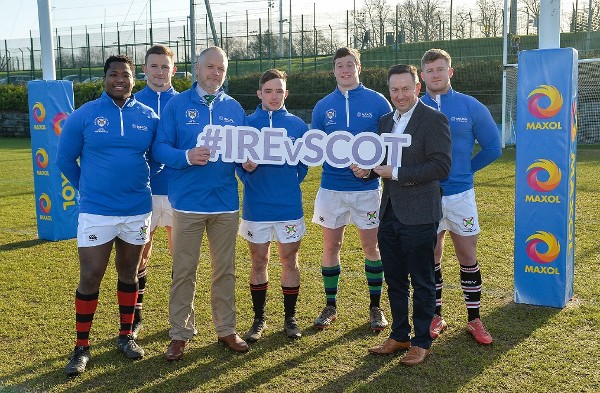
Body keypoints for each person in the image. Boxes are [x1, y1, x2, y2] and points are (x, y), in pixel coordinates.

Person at [57, 54, 159, 376]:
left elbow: (157, 159)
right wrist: (87, 190)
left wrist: (140, 181)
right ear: (105, 79)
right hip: (97, 212)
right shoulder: (85, 115)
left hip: (136, 210)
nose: (120, 79)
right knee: (90, 276)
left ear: (133, 79)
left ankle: (126, 336)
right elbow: (64, 159)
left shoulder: (148, 116)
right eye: (113, 74)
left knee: (129, 274)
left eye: (125, 75)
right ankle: (82, 346)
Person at [153, 46, 249, 360]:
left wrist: (247, 162)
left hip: (224, 204)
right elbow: (160, 148)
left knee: (225, 270)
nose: (215, 74)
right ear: (197, 68)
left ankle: (226, 329)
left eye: (221, 69)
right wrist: (186, 156)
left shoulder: (234, 108)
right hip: (188, 204)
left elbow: (241, 151)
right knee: (184, 271)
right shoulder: (177, 105)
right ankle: (180, 333)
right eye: (210, 67)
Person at [365, 64, 451, 366]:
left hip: (419, 214)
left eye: (405, 88)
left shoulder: (434, 119)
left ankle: (421, 341)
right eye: (394, 89)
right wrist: (366, 170)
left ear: (417, 88)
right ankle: (400, 334)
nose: (400, 95)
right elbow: (381, 163)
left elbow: (441, 167)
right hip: (388, 213)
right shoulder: (386, 121)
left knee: (423, 280)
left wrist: (397, 173)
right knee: (395, 279)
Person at [420, 48, 502, 345]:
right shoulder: (414, 108)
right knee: (431, 257)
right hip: (425, 195)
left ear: (450, 72)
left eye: (440, 69)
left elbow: (494, 147)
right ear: (422, 75)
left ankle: (474, 319)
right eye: (429, 71)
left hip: (460, 195)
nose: (435, 75)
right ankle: (435, 315)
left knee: (467, 255)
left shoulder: (470, 106)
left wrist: (466, 171)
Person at [310, 47, 392, 332]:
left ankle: (375, 307)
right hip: (332, 188)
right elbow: (316, 148)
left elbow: (389, 143)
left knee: (372, 246)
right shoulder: (322, 106)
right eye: (339, 66)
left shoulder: (378, 102)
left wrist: (371, 166)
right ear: (333, 70)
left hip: (367, 189)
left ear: (359, 67)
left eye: (349, 65)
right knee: (331, 246)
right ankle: (330, 305)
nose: (345, 70)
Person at [237, 69, 309, 342]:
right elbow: (237, 162)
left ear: (286, 93)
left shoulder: (297, 125)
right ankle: (259, 319)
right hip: (257, 207)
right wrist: (248, 170)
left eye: (279, 91)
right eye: (269, 91)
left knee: (290, 260)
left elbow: (303, 166)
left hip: (288, 206)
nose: (274, 96)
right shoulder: (247, 124)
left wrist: (289, 182)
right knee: (259, 260)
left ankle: (290, 318)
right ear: (259, 94)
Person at [132, 44, 179, 339]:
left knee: (182, 258)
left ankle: (179, 317)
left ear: (173, 70)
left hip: (179, 192)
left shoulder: (186, 103)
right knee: (139, 255)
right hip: (144, 194)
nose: (160, 72)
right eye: (154, 66)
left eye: (165, 66)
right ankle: (136, 317)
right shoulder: (133, 103)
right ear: (144, 70)